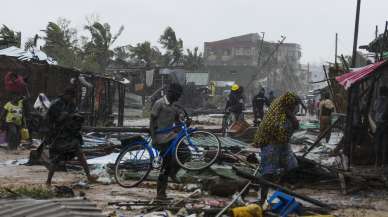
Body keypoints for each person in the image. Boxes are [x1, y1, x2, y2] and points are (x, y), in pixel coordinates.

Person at [253, 92, 300, 205]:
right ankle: (262, 198)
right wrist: (293, 119)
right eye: (295, 106)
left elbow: (290, 130)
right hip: (271, 143)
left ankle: (285, 196)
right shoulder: (278, 115)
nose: (296, 108)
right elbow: (281, 131)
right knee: (268, 171)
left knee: (292, 166)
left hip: (282, 143)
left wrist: (293, 118)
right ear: (289, 105)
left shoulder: (283, 110)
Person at [45, 87, 96, 186]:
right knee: (56, 159)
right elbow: (52, 120)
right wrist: (63, 116)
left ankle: (89, 176)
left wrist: (75, 117)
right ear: (66, 95)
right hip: (58, 136)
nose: (72, 99)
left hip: (70, 135)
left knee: (80, 154)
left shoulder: (71, 104)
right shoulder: (56, 104)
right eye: (71, 97)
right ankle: (48, 181)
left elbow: (74, 115)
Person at [150, 83, 190, 200]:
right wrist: (154, 139)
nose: (178, 98)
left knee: (186, 153)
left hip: (171, 137)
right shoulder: (159, 103)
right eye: (178, 95)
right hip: (161, 138)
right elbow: (152, 122)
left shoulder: (174, 107)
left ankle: (173, 172)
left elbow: (178, 124)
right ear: (171, 93)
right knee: (165, 166)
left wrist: (186, 123)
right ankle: (160, 194)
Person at [374, 86, 388, 166]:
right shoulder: (386, 101)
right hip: (385, 124)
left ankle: (377, 162)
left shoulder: (377, 100)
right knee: (384, 143)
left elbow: (375, 109)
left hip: (378, 124)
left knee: (378, 143)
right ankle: (384, 162)